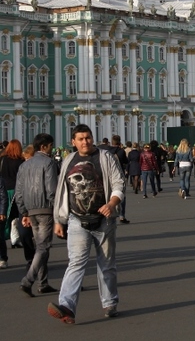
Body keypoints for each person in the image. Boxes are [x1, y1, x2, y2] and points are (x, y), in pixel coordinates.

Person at [48, 124, 125, 324]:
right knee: (75, 263)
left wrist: (111, 203)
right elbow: (62, 191)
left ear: (93, 138)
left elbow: (119, 183)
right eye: (80, 139)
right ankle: (67, 306)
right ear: (73, 142)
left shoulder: (106, 157)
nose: (85, 142)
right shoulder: (68, 161)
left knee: (106, 265)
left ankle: (109, 302)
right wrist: (59, 219)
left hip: (104, 220)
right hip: (76, 220)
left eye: (88, 137)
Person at [14, 133, 59, 296]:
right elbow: (52, 190)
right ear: (44, 146)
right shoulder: (49, 163)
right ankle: (28, 280)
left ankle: (43, 282)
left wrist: (23, 211)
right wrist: (58, 211)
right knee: (43, 246)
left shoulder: (24, 165)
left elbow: (19, 192)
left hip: (30, 210)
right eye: (50, 145)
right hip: (45, 209)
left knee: (41, 245)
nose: (52, 148)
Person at [0, 139, 26, 251]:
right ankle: (14, 237)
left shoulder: (2, 159)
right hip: (16, 191)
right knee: (15, 216)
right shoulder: (20, 161)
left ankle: (5, 236)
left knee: (5, 215)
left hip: (4, 189)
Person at [104, 135, 130, 223]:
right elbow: (126, 161)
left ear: (112, 142)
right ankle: (122, 216)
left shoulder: (107, 151)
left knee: (109, 194)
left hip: (108, 175)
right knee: (121, 194)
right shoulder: (121, 151)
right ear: (119, 142)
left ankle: (108, 212)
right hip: (119, 174)